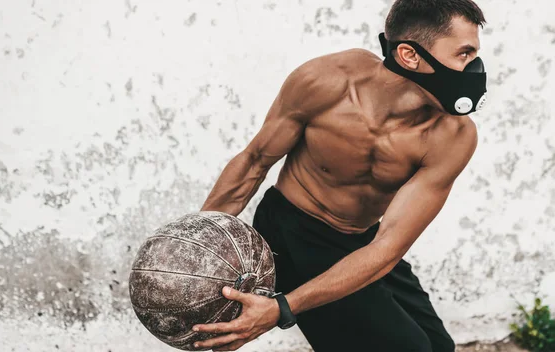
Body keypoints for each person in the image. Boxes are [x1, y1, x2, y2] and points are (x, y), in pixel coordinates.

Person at [193, 0, 488, 351]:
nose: (475, 69)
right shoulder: (327, 82)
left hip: (363, 240)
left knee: (439, 347)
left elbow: (388, 245)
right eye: (464, 54)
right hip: (291, 232)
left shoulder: (453, 136)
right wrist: (195, 246)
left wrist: (280, 309)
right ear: (409, 55)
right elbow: (254, 161)